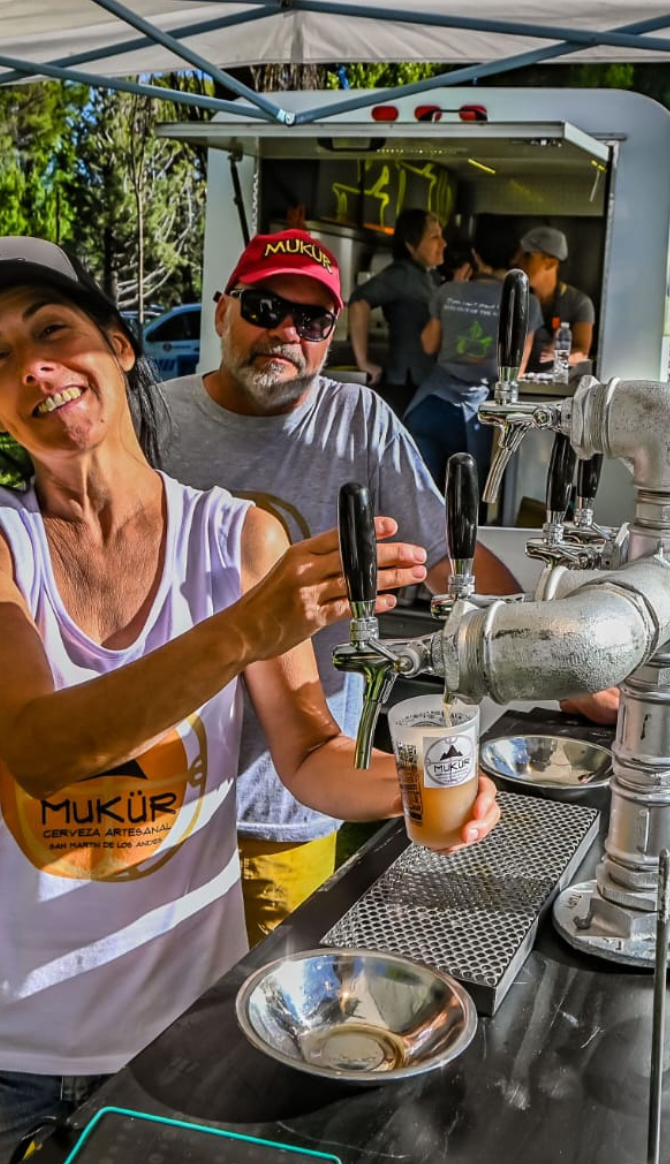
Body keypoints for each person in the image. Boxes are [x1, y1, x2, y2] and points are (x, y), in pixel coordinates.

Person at [0, 236, 499, 1164]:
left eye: (54, 331)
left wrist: (410, 788)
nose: (35, 368)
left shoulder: (237, 539)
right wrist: (242, 630)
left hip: (177, 1034)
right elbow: (42, 750)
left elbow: (305, 753)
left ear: (121, 345)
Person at [157, 228, 521, 944]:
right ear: (222, 310)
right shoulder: (158, 423)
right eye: (265, 308)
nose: (286, 332)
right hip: (159, 795)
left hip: (295, 790)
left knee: (272, 998)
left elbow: (451, 560)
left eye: (313, 320)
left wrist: (554, 657)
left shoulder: (358, 420)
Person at [408, 224, 542, 488]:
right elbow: (516, 369)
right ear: (516, 255)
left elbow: (428, 344)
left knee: (422, 499)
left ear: (475, 254)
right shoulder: (526, 302)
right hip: (480, 419)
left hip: (430, 407)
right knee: (466, 508)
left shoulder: (448, 291)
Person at [347, 208, 445, 412]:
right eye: (434, 237)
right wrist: (363, 361)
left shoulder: (426, 276)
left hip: (423, 381)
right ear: (411, 244)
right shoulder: (401, 274)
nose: (443, 243)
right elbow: (358, 301)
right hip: (406, 383)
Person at [515, 225, 596, 368]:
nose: (517, 261)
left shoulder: (580, 303)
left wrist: (559, 354)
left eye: (527, 255)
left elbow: (583, 352)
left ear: (551, 262)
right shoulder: (517, 297)